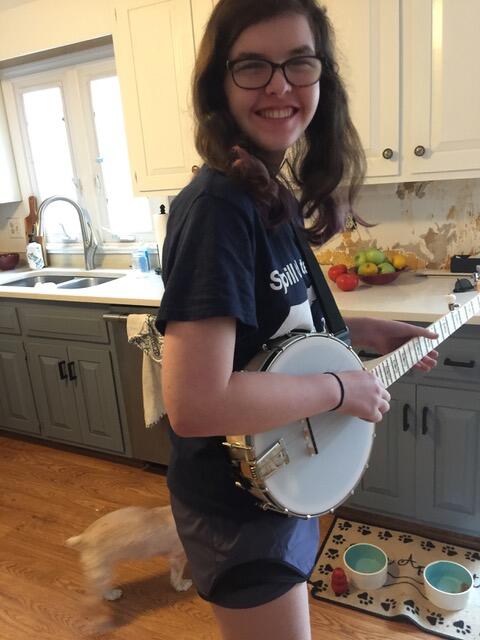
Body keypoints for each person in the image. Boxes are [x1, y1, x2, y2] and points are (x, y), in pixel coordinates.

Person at [156, 2, 438, 638]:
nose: (279, 85)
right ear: (219, 85)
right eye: (253, 65)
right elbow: (196, 402)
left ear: (321, 79)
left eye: (299, 63)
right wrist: (343, 387)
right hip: (237, 504)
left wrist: (358, 332)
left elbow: (277, 326)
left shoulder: (263, 191)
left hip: (279, 473)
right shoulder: (218, 209)